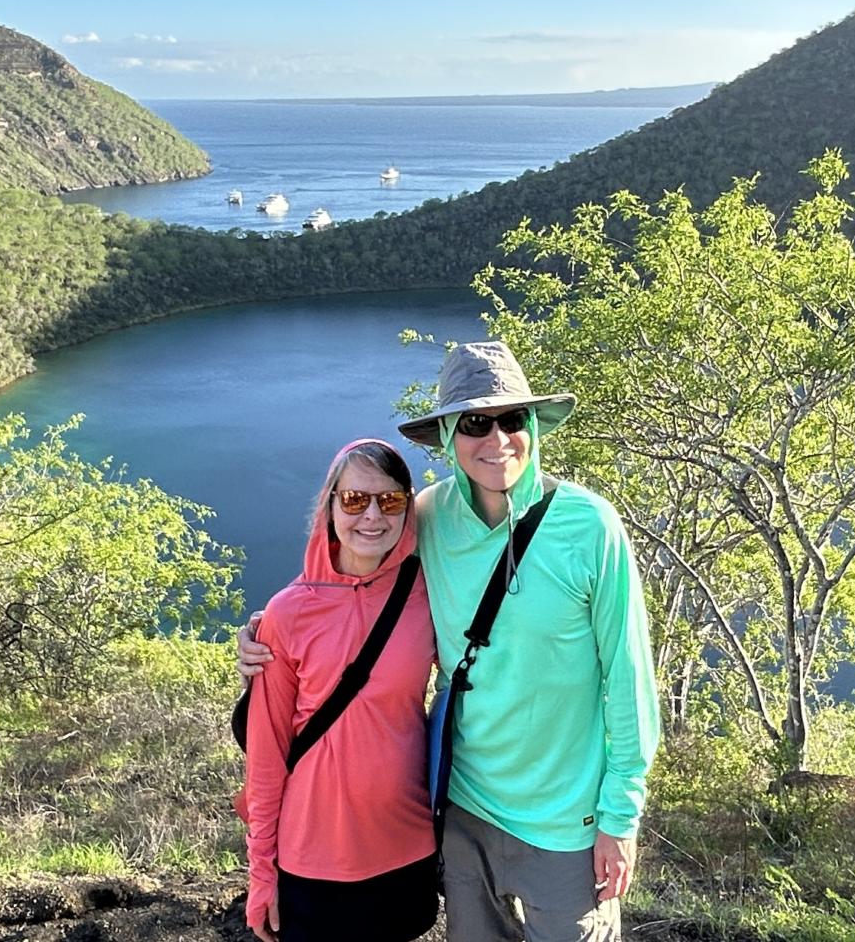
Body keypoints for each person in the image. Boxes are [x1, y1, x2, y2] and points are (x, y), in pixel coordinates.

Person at [240, 341, 661, 942]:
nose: (497, 439)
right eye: (474, 424)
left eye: (512, 419)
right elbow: (352, 578)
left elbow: (629, 679)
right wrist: (268, 632)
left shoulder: (590, 526)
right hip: (464, 812)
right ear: (447, 435)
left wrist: (620, 816)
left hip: (567, 821)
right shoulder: (429, 518)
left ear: (533, 424)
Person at [242, 438, 439, 942]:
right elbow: (266, 753)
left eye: (390, 500)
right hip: (312, 854)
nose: (372, 516)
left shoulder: (428, 593)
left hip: (406, 842)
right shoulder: (288, 612)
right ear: (329, 506)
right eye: (354, 500)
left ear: (407, 509)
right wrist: (262, 870)